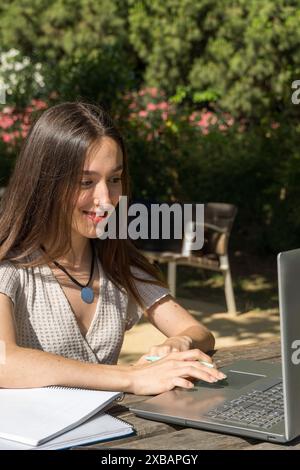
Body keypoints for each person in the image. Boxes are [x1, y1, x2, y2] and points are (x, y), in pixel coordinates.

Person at [0, 102, 225, 396]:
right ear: (45, 183)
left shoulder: (119, 266)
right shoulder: (9, 268)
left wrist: (178, 343)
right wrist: (130, 377)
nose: (106, 199)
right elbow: (5, 361)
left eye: (114, 179)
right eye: (86, 181)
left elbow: (200, 334)